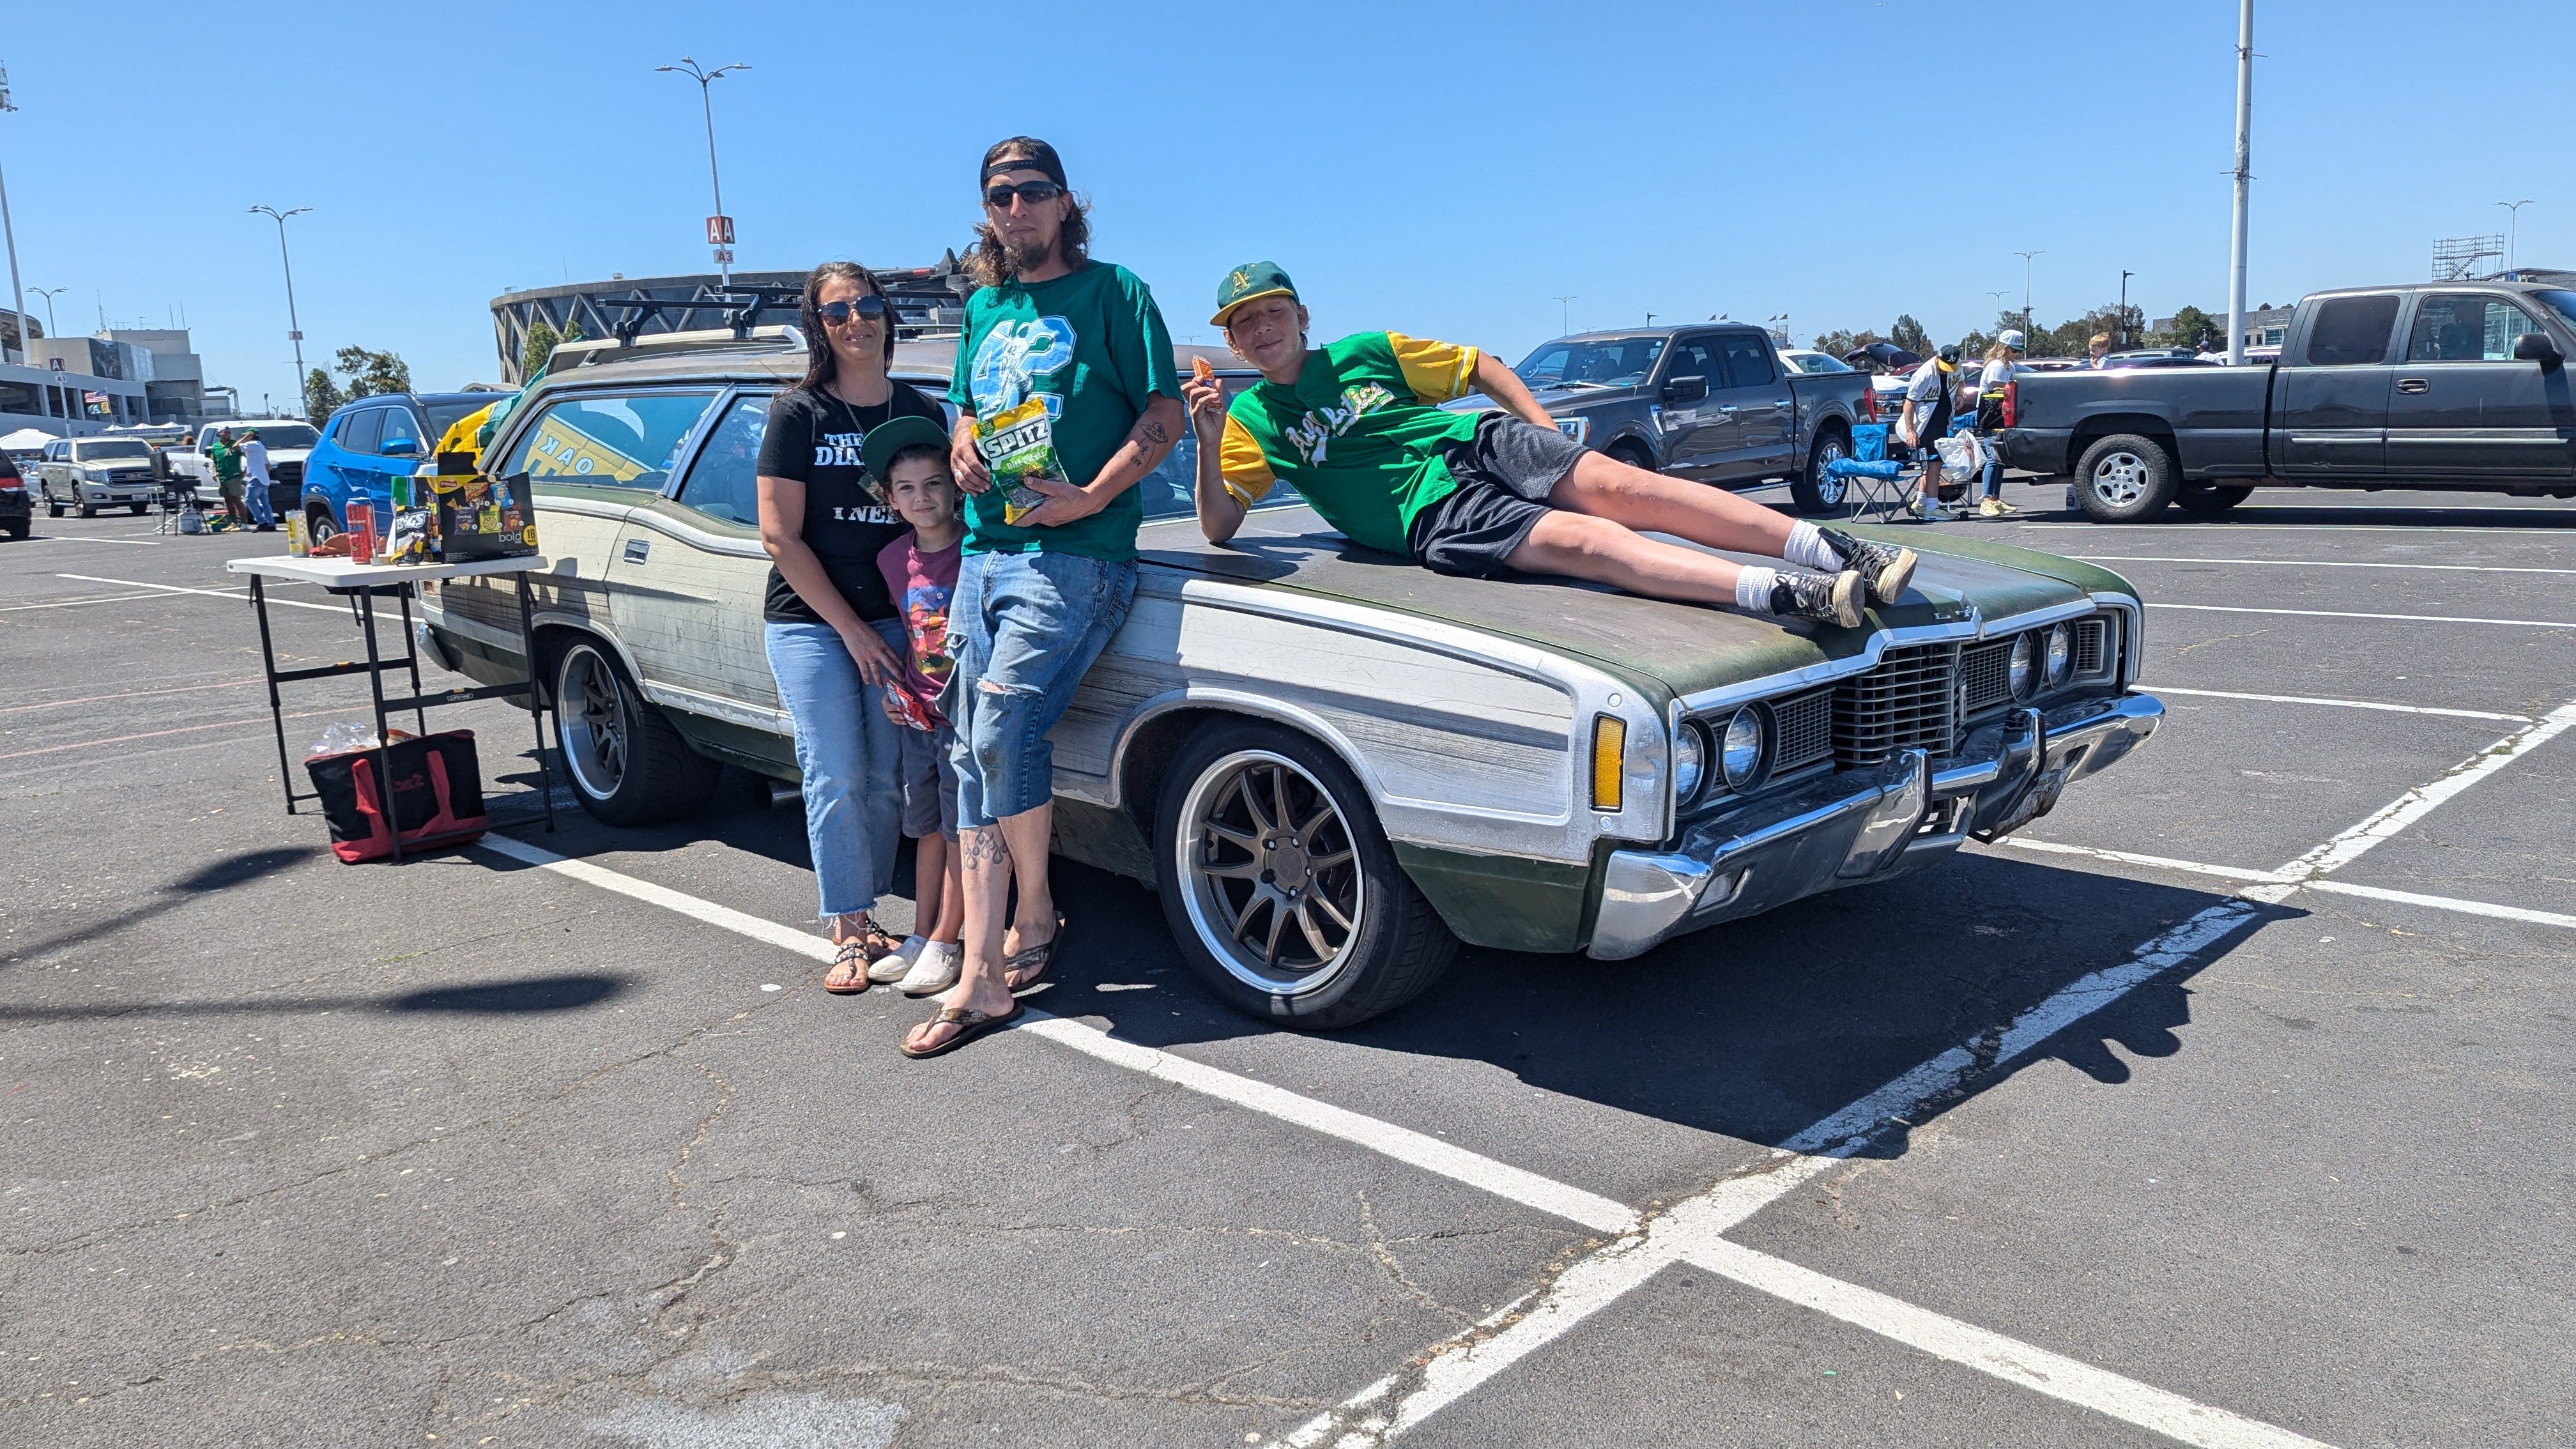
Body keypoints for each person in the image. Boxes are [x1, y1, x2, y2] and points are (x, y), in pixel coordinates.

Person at [1184, 262, 1912, 629]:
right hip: (1431, 516)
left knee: (1634, 491)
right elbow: (1219, 526)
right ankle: (1789, 593)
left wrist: (1535, 425)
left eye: (1272, 313)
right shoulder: (1251, 418)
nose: (1261, 330)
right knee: (1588, 543)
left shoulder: (1370, 350)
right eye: (1244, 324)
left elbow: (1482, 367)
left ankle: (1835, 551)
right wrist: (1210, 443)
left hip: (1477, 440)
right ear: (1230, 339)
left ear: (1302, 315)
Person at [901, 136, 1184, 1059]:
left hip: (1076, 559)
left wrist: (1094, 495)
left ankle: (992, 963)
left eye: (1031, 192)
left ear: (1066, 203)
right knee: (973, 749)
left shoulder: (1115, 294)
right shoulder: (986, 305)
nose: (1014, 209)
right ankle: (1024, 924)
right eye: (998, 196)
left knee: (993, 735)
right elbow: (965, 405)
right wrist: (963, 439)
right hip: (984, 553)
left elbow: (1165, 415)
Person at [756, 261, 950, 995]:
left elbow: (948, 513)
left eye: (868, 305)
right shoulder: (799, 413)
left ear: (887, 315)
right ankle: (847, 926)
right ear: (820, 325)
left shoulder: (922, 411)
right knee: (834, 769)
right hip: (811, 622)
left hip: (903, 618)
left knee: (885, 778)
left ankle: (874, 919)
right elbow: (781, 537)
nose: (856, 321)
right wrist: (852, 630)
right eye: (838, 312)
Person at [862, 413, 969, 998]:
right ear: (890, 498)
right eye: (906, 488)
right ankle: (922, 934)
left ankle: (949, 941)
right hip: (917, 715)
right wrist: (894, 692)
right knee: (925, 828)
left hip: (962, 717)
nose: (921, 497)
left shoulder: (976, 549)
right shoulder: (891, 560)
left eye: (933, 484)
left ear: (954, 487)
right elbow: (912, 635)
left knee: (958, 831)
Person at [1898, 347, 1960, 519]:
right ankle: (1932, 508)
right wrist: (1911, 431)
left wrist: (1960, 395)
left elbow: (1960, 381)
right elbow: (1909, 404)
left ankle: (1920, 502)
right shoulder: (1924, 374)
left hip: (1942, 422)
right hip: (1924, 425)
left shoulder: (1957, 365)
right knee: (1934, 464)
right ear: (1937, 357)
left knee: (1930, 465)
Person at [1972, 330, 2024, 518]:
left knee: (2001, 459)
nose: (2017, 354)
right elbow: (1998, 386)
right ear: (2005, 348)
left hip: (2003, 415)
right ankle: (1986, 500)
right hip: (1991, 415)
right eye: (2014, 350)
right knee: (1994, 457)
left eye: (2018, 351)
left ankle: (1995, 498)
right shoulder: (1997, 366)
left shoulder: (2010, 366)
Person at [238, 428, 279, 530]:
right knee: (265, 503)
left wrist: (244, 438)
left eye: (247, 436)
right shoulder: (261, 446)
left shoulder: (253, 445)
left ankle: (262, 522)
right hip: (264, 479)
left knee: (249, 500)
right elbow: (267, 465)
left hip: (256, 479)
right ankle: (271, 524)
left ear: (251, 436)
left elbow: (235, 447)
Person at [209, 427, 246, 527]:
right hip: (223, 477)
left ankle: (244, 523)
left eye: (229, 432)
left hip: (234, 476)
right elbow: (215, 462)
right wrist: (214, 472)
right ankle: (234, 523)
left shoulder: (235, 445)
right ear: (219, 434)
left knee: (236, 499)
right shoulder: (216, 446)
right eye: (225, 432)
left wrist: (246, 471)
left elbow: (249, 457)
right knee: (228, 500)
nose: (228, 434)